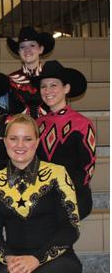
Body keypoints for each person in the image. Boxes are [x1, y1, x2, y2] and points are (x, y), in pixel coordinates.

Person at [0, 114, 82, 273]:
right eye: (14, 139)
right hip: (14, 260)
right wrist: (11, 259)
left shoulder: (57, 174)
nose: (20, 145)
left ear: (37, 142)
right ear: (5, 141)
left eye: (27, 139)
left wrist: (35, 259)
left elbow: (70, 228)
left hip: (58, 260)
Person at [33, 60, 96, 219]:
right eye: (43, 86)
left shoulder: (81, 124)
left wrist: (63, 190)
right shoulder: (37, 124)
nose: (47, 90)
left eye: (53, 85)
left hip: (75, 194)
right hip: (44, 194)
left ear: (66, 88)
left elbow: (87, 167)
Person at [7, 26, 55, 118]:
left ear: (40, 49)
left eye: (32, 45)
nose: (27, 50)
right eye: (22, 46)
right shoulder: (10, 79)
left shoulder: (53, 76)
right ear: (19, 51)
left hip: (49, 128)